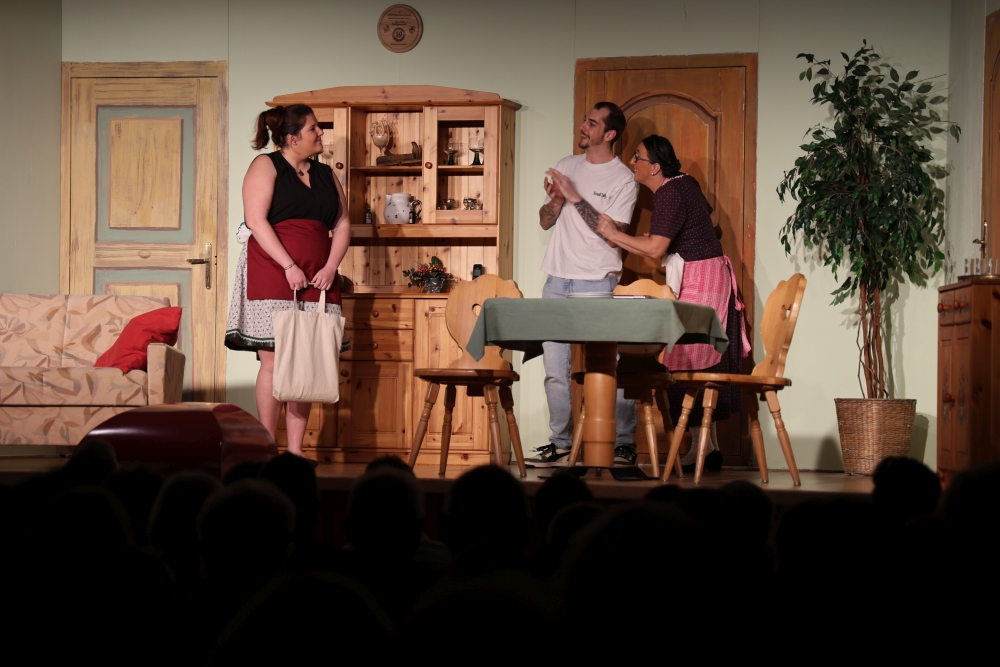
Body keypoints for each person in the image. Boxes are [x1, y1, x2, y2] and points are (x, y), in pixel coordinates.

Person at [595, 135, 750, 471]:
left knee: (689, 360)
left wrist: (613, 233)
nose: (632, 162)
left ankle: (701, 448)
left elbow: (654, 249)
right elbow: (709, 221)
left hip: (703, 277)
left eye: (637, 157)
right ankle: (708, 448)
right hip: (709, 273)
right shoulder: (685, 183)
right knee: (692, 358)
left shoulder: (668, 192)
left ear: (655, 167)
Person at [224, 104, 350, 460]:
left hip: (319, 274)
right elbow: (256, 220)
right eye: (314, 129)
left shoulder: (325, 174)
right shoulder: (266, 165)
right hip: (274, 269)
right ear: (292, 138)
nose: (320, 133)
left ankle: (295, 450)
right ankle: (267, 447)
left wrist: (331, 266)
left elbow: (342, 224)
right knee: (275, 361)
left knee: (306, 359)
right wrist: (289, 265)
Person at [528, 102, 639, 467]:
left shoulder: (623, 179)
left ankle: (623, 443)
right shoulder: (567, 165)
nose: (583, 126)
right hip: (556, 279)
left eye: (592, 123)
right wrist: (556, 201)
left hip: (596, 280)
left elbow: (613, 235)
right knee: (554, 371)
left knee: (607, 366)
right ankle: (560, 442)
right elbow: (545, 221)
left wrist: (575, 198)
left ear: (609, 133)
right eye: (585, 120)